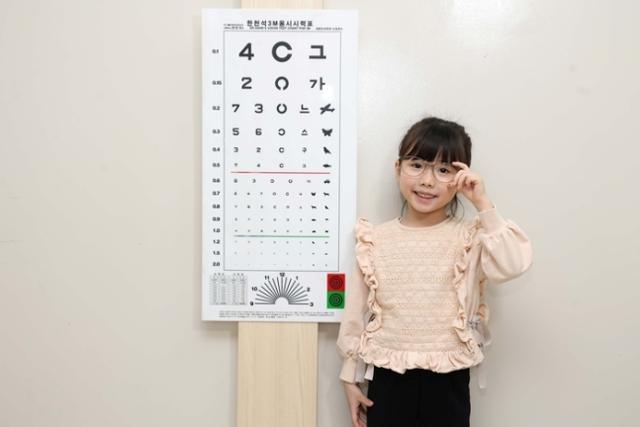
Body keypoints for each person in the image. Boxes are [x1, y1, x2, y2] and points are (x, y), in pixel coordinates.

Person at [336, 116, 533, 427]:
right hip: (387, 377)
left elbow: (512, 264)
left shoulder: (471, 236)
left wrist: (483, 203)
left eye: (444, 171)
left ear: (461, 178)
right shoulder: (375, 238)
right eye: (417, 165)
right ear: (397, 168)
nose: (427, 181)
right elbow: (357, 314)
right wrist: (350, 377)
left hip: (449, 378)